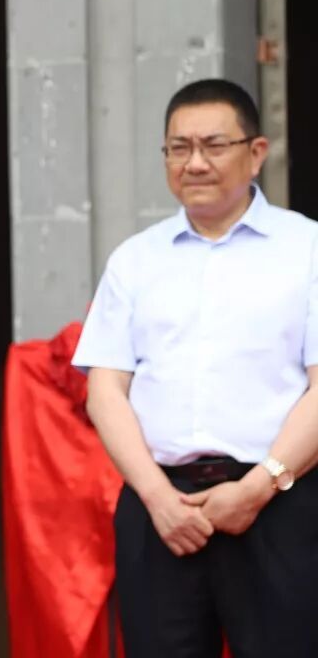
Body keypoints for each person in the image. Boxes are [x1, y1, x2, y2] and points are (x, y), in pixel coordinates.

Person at [72, 78, 318, 657]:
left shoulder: (307, 249)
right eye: (179, 148)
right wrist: (157, 497)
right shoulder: (136, 259)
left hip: (278, 504)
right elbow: (105, 391)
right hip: (161, 511)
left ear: (256, 153)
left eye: (214, 145)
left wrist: (258, 488)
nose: (195, 162)